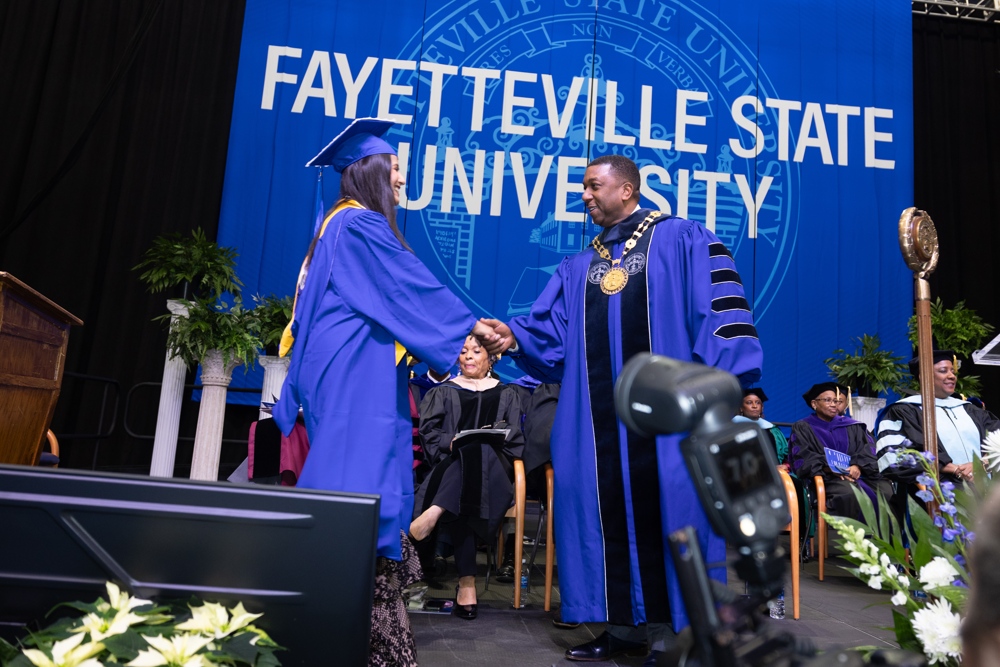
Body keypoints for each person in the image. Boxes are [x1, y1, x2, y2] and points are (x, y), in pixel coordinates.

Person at [480, 154, 763, 664]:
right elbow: (549, 338)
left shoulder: (682, 241)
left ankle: (677, 636)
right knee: (596, 515)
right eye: (584, 188)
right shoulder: (579, 266)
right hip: (592, 427)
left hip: (671, 424)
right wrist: (512, 335)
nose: (584, 195)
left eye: (593, 186)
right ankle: (622, 629)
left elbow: (722, 318)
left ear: (627, 189)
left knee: (672, 516)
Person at [272, 118, 496, 666]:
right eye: (394, 168)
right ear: (371, 172)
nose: (401, 179)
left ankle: (350, 624)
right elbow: (409, 284)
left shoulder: (335, 225)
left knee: (356, 480)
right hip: (352, 375)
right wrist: (474, 327)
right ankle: (339, 627)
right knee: (355, 486)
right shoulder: (360, 227)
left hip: (342, 366)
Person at [409, 335, 525, 620]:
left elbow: (514, 440)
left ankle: (435, 511)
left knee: (477, 452)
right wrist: (454, 442)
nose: (468, 356)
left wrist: (482, 441)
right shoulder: (444, 391)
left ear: (491, 357)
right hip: (451, 466)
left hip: (495, 472)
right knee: (467, 463)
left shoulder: (507, 392)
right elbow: (430, 435)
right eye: (463, 352)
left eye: (476, 351)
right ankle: (467, 585)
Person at [876, 350, 1000, 485]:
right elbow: (896, 457)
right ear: (923, 376)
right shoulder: (905, 411)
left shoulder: (970, 410)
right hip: (939, 490)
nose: (952, 376)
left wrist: (981, 464)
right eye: (943, 371)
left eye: (952, 371)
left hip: (986, 489)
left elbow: (997, 439)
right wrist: (956, 470)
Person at [788, 383, 893, 520]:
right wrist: (829, 468)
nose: (833, 404)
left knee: (886, 491)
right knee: (849, 492)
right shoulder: (803, 427)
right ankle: (852, 538)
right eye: (827, 400)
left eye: (836, 401)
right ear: (814, 404)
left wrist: (857, 465)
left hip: (859, 476)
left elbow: (869, 450)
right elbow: (803, 456)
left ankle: (884, 539)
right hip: (827, 479)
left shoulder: (853, 426)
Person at [734, 388, 789, 466]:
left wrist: (786, 466)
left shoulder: (772, 429)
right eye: (749, 403)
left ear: (762, 408)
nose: (754, 406)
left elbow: (786, 456)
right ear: (741, 408)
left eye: (758, 403)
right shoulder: (733, 429)